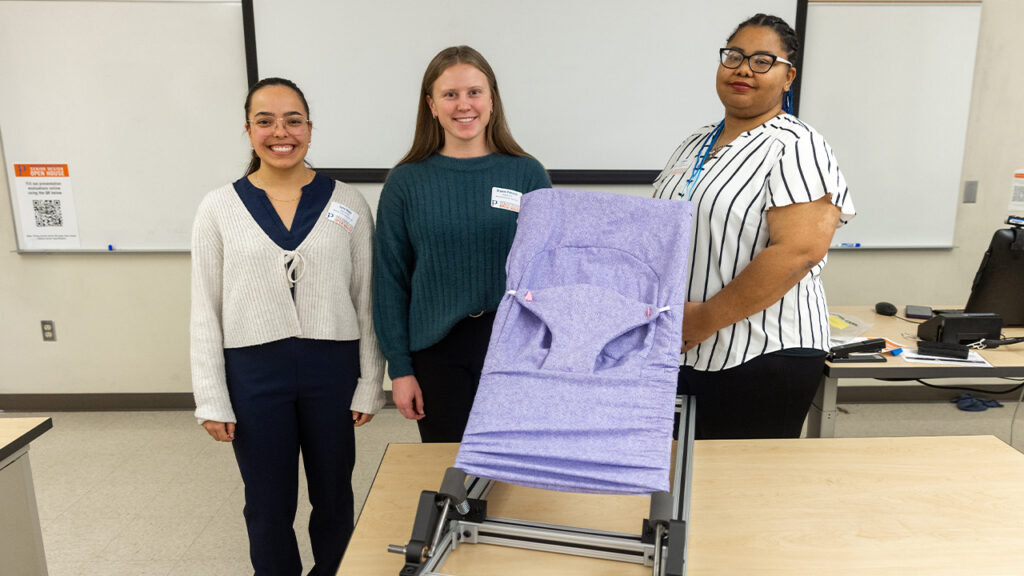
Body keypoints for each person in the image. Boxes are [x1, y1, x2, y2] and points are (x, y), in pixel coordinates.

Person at [190, 77, 384, 575]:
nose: (282, 131)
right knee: (268, 504)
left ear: (310, 129)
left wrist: (369, 386)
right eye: (266, 120)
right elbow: (204, 310)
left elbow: (367, 301)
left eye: (293, 120)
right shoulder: (218, 207)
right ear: (249, 130)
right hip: (254, 374)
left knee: (334, 496)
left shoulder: (349, 203)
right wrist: (211, 396)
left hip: (331, 370)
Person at [653, 14, 856, 439]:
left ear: (788, 77)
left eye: (763, 60)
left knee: (738, 493)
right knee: (678, 486)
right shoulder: (696, 141)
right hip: (684, 345)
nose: (744, 69)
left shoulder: (798, 146)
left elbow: (799, 253)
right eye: (734, 57)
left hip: (764, 352)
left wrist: (707, 318)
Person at [374, 45, 551, 443]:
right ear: (431, 105)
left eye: (474, 92)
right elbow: (390, 281)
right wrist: (399, 369)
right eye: (450, 94)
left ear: (492, 100)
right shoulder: (406, 182)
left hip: (514, 350)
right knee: (449, 474)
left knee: (511, 469)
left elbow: (549, 272)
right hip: (436, 354)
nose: (463, 105)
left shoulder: (527, 174)